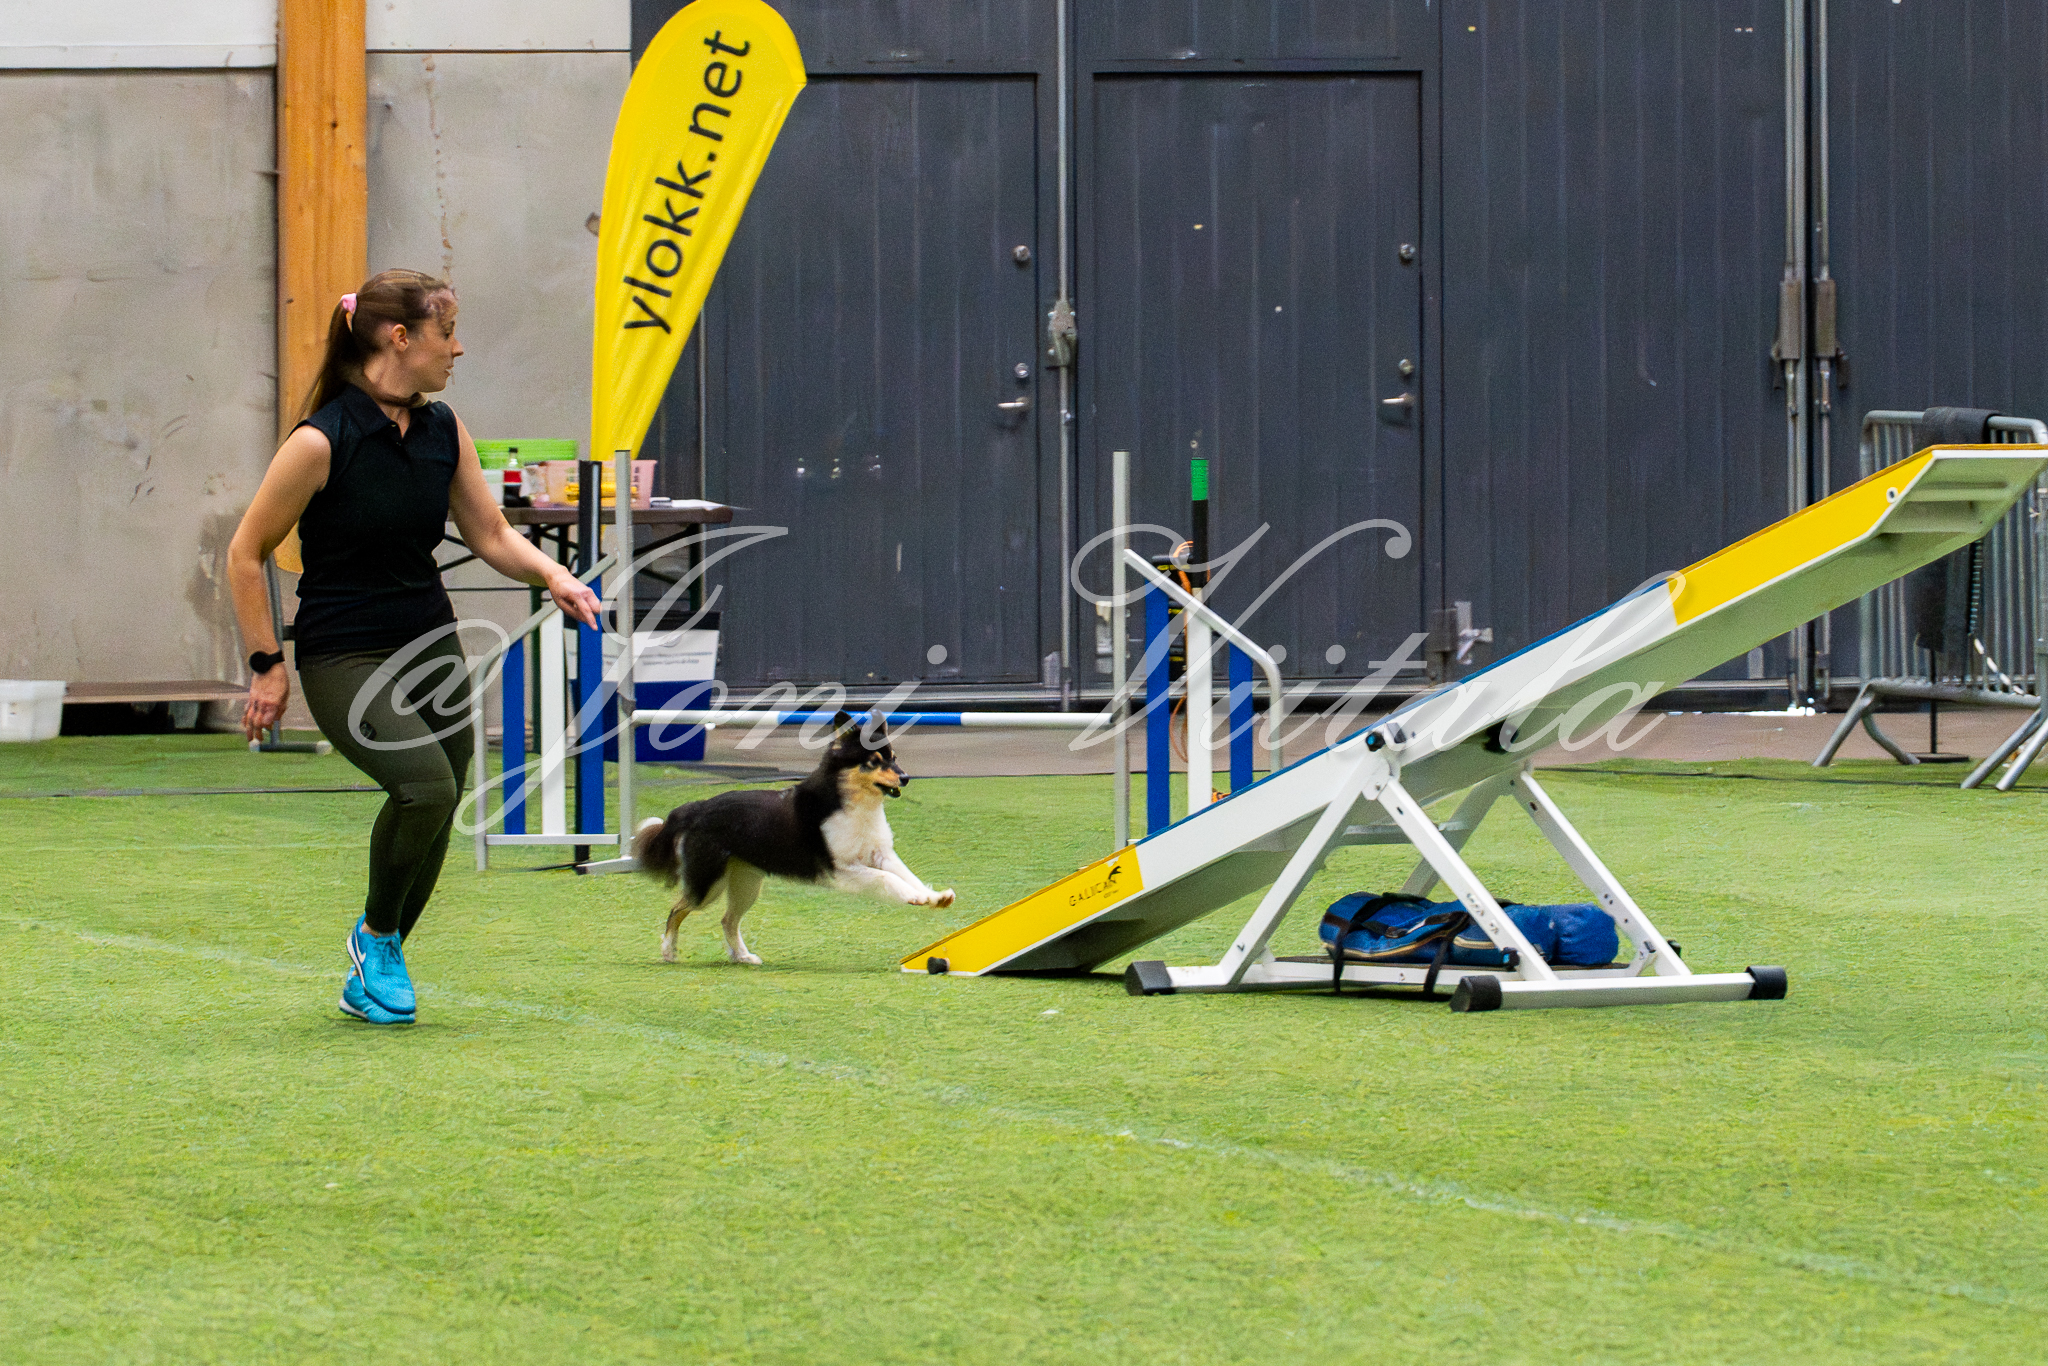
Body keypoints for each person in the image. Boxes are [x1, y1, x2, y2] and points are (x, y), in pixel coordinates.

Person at [227, 269, 599, 1025]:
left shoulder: (442, 429)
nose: (458, 349)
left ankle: (379, 957)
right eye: (447, 332)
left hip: (430, 641)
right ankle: (374, 936)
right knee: (425, 788)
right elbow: (244, 552)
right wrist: (267, 666)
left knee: (442, 795)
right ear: (400, 338)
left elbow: (490, 533)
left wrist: (554, 573)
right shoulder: (319, 441)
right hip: (344, 653)